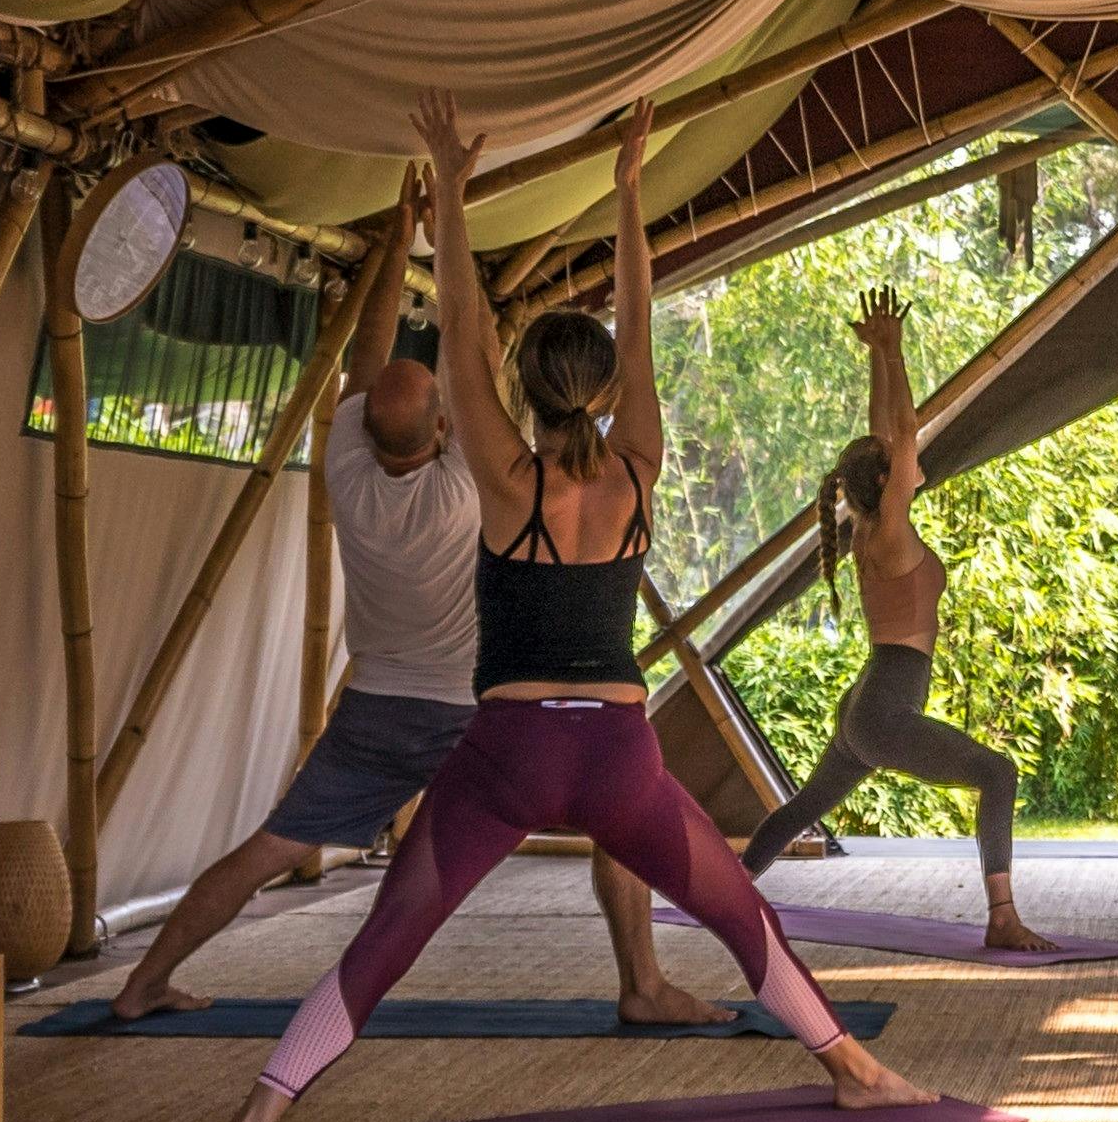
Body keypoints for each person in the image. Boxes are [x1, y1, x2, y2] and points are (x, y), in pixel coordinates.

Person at [172, 93, 935, 1122]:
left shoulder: (505, 474)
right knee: (736, 913)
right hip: (620, 754)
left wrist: (450, 186)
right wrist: (629, 192)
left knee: (383, 944)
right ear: (611, 392)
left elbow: (467, 333)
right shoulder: (636, 465)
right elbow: (641, 314)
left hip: (509, 755)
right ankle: (855, 1068)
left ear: (523, 395)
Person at [108, 150, 728, 1030]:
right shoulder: (481, 484)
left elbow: (380, 365)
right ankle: (642, 980)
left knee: (272, 846)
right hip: (487, 714)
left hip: (377, 707)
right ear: (446, 428)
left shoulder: (349, 470)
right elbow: (466, 342)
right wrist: (436, 231)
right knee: (615, 820)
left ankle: (144, 980)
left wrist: (404, 238)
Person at [740, 289, 1052, 949]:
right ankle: (1002, 918)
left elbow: (889, 436)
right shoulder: (886, 532)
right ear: (888, 484)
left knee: (803, 808)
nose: (909, 462)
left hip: (871, 700)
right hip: (881, 709)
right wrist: (898, 353)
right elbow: (903, 435)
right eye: (898, 469)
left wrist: (882, 354)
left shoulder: (870, 526)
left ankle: (730, 892)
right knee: (997, 774)